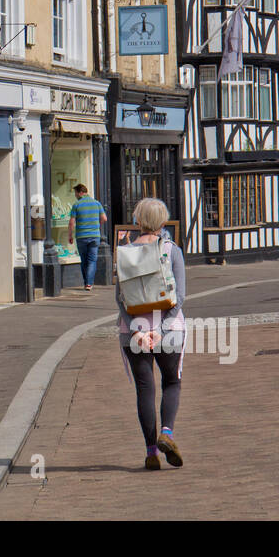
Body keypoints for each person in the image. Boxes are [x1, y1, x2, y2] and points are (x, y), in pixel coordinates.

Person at [116, 197, 186, 471]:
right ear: (162, 221)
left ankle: (151, 452)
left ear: (138, 221)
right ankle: (167, 432)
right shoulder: (172, 250)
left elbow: (120, 298)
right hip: (169, 330)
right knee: (172, 382)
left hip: (133, 332)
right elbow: (179, 296)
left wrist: (138, 330)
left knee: (144, 388)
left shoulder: (124, 252)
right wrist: (160, 329)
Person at [67, 183, 107, 290]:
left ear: (80, 192)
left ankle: (86, 282)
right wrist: (96, 224)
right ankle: (89, 283)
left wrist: (70, 235)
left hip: (81, 237)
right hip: (94, 236)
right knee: (92, 260)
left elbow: (71, 222)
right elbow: (104, 218)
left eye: (76, 193)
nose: (75, 195)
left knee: (84, 260)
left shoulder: (77, 205)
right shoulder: (97, 203)